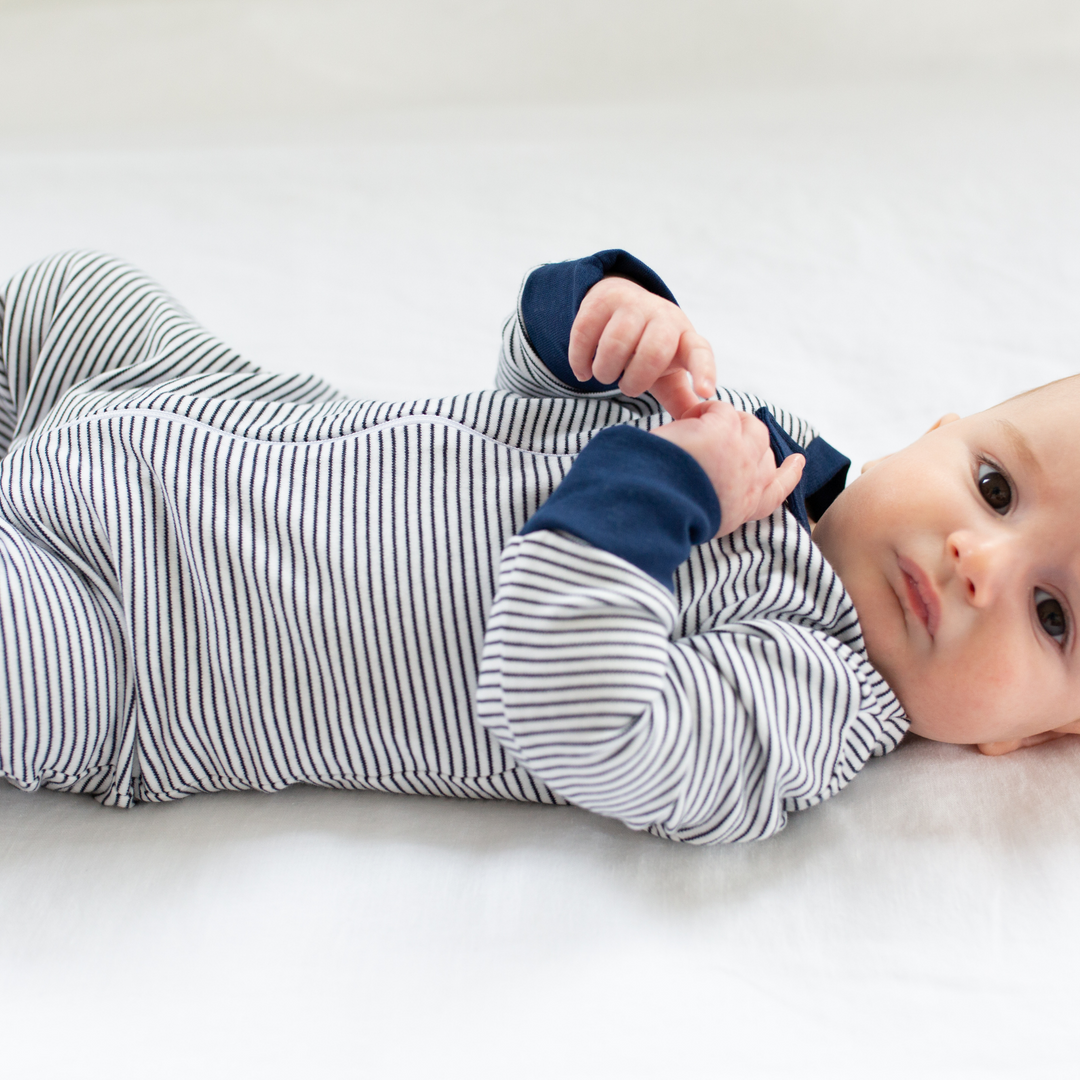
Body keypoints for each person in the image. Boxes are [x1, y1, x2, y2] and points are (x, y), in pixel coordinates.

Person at [0, 249, 1068, 845]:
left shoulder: (807, 699)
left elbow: (574, 711)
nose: (983, 559)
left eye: (1054, 614)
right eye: (996, 485)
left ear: (1032, 736)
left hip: (140, 647)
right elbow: (521, 406)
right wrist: (588, 325)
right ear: (942, 429)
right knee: (76, 294)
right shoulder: (754, 433)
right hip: (201, 408)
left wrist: (666, 481)